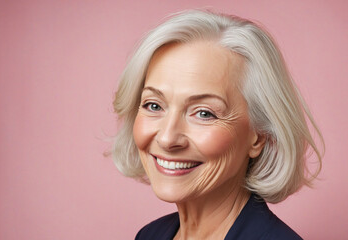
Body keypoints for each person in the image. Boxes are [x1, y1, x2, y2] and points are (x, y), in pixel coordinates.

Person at [111, 10, 323, 240]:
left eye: (204, 113)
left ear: (259, 135)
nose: (167, 138)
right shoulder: (150, 235)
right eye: (154, 106)